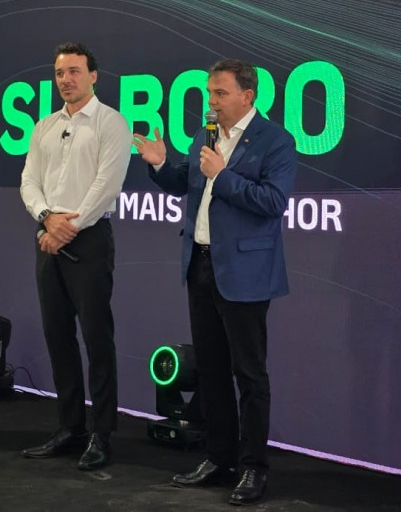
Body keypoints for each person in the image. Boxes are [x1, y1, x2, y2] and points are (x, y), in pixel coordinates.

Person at [133, 58, 296, 505]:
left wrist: (222, 175)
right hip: (200, 265)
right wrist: (160, 164)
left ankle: (253, 467)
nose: (212, 102)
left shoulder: (276, 140)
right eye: (209, 93)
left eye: (220, 93)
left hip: (245, 272)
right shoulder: (205, 135)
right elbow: (188, 183)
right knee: (211, 370)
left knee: (249, 374)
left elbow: (272, 202)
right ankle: (219, 457)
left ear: (248, 95)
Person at [19, 43, 131, 471]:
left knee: (97, 339)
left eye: (74, 71)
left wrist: (68, 227)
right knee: (58, 336)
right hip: (48, 236)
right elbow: (29, 180)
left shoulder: (111, 122)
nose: (66, 80)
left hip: (89, 240)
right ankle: (70, 428)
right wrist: (47, 219)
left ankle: (102, 433)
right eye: (60, 73)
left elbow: (107, 185)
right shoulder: (45, 126)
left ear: (93, 76)